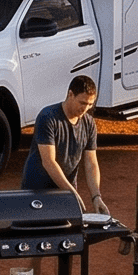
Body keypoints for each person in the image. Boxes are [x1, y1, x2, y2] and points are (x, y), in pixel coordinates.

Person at [25, 74, 107, 214]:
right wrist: (72, 194)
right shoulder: (48, 117)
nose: (85, 109)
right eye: (82, 103)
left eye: (90, 104)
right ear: (70, 94)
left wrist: (96, 196)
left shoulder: (89, 123)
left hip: (66, 192)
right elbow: (49, 162)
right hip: (37, 192)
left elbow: (91, 162)